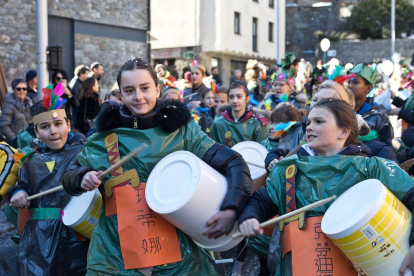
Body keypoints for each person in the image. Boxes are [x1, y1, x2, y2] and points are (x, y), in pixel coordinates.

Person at [61, 58, 252, 275]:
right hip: (113, 253)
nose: (138, 96)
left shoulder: (182, 132)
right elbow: (69, 176)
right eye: (130, 90)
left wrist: (231, 208)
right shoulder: (103, 138)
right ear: (121, 95)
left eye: (145, 88)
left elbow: (233, 162)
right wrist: (81, 176)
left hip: (178, 255)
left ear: (158, 89)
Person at [238, 98, 414, 276]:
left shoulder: (371, 168)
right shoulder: (289, 170)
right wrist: (250, 217)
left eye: (319, 121)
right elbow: (262, 200)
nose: (309, 127)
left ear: (344, 131)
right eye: (308, 122)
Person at [7, 87, 89, 276]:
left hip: (75, 236)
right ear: (36, 131)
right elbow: (22, 184)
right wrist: (18, 192)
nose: (53, 131)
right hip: (38, 238)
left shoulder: (83, 153)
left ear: (68, 124)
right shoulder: (31, 161)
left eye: (58, 124)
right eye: (45, 127)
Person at [348, 64, 396, 161]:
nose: (350, 85)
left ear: (368, 88)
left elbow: (385, 148)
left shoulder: (378, 116)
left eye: (355, 82)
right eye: (349, 81)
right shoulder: (340, 110)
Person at [210, 81, 269, 147]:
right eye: (231, 97)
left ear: (247, 99)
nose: (235, 101)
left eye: (239, 96)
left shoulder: (258, 123)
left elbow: (263, 150)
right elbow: (212, 148)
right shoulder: (218, 122)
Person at [0, 79, 33, 147]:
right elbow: (4, 126)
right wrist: (16, 140)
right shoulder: (9, 105)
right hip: (16, 145)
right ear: (13, 89)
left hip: (29, 143)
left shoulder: (29, 104)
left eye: (24, 89)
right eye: (18, 89)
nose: (22, 91)